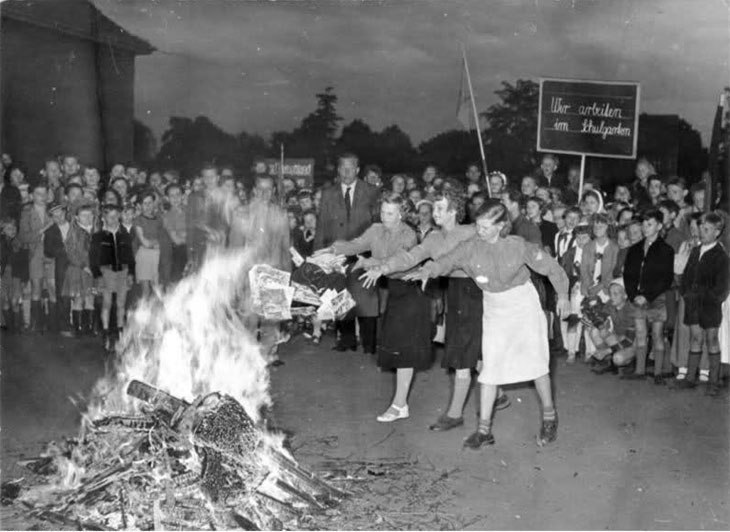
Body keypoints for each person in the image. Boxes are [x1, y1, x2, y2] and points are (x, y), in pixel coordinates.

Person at [407, 199, 569, 448]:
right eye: (478, 225)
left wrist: (564, 295)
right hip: (494, 308)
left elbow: (551, 268)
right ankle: (484, 432)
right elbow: (447, 261)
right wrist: (428, 270)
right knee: (490, 368)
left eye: (484, 227)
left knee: (536, 364)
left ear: (501, 226)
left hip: (523, 306)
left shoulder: (518, 246)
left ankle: (550, 417)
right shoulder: (471, 247)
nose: (479, 231)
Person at [360, 182, 511, 431]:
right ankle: (499, 393)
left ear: (454, 211)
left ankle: (455, 415)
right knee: (468, 351)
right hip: (456, 294)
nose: (435, 213)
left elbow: (499, 245)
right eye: (435, 208)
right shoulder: (434, 238)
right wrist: (383, 268)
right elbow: (411, 256)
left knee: (464, 355)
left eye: (440, 208)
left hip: (478, 294)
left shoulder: (471, 232)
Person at [318, 193, 432, 422]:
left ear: (401, 215)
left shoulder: (408, 234)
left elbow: (399, 261)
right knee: (397, 350)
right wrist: (333, 249)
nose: (384, 216)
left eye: (390, 213)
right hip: (394, 294)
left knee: (404, 353)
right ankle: (401, 404)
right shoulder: (376, 229)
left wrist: (373, 264)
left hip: (411, 295)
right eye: (382, 211)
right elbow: (355, 245)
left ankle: (399, 406)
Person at [314, 153, 379, 353]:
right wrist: (318, 256)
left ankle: (369, 343)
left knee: (366, 299)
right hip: (337, 255)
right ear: (338, 169)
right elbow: (321, 226)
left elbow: (378, 226)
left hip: (364, 255)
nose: (346, 172)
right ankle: (347, 340)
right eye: (343, 168)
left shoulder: (372, 192)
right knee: (341, 296)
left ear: (358, 170)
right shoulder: (328, 193)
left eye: (350, 168)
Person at [676, 212, 729, 395]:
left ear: (717, 232)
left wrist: (710, 298)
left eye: (707, 229)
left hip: (710, 306)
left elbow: (722, 287)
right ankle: (690, 378)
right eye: (701, 228)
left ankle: (713, 382)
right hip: (693, 303)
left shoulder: (721, 256)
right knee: (695, 338)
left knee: (712, 340)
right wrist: (686, 293)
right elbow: (686, 277)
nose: (702, 232)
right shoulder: (695, 251)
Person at [622, 209, 675, 383]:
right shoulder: (634, 249)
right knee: (640, 333)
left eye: (649, 224)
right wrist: (633, 295)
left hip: (656, 298)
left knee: (657, 334)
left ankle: (658, 373)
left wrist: (648, 296)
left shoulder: (666, 250)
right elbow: (628, 275)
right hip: (637, 297)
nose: (645, 228)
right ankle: (640, 371)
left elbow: (666, 278)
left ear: (659, 226)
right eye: (644, 224)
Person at [91, 203, 135, 350]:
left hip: (123, 271)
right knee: (107, 303)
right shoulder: (98, 237)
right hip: (107, 272)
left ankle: (120, 330)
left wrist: (131, 273)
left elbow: (130, 256)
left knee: (121, 303)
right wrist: (98, 275)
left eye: (116, 216)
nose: (114, 219)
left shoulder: (125, 235)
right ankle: (105, 331)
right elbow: (93, 258)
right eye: (110, 217)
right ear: (104, 218)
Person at [18, 182, 52, 332]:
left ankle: (51, 322)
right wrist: (41, 232)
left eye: (45, 193)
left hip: (52, 253)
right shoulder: (26, 213)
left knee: (51, 287)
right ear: (31, 196)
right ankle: (35, 322)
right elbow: (23, 237)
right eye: (38, 194)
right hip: (35, 253)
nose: (42, 197)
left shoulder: (53, 210)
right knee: (36, 287)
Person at [587, 278, 639, 374]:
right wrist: (602, 327)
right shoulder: (610, 303)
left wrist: (607, 350)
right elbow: (598, 318)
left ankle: (632, 361)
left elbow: (628, 341)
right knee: (595, 331)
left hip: (632, 343)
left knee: (618, 358)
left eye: (616, 294)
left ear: (625, 295)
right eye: (610, 293)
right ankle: (608, 361)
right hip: (618, 338)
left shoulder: (631, 309)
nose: (612, 297)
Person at [62, 203, 96, 336]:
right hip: (78, 270)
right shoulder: (74, 232)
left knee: (90, 298)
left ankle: (89, 328)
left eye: (90, 215)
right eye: (83, 215)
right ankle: (78, 329)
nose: (87, 218)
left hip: (92, 270)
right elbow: (70, 253)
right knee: (78, 299)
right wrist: (83, 266)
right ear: (77, 218)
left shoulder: (95, 231)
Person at [43, 202, 71, 334]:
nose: (59, 218)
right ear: (51, 218)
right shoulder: (50, 231)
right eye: (55, 216)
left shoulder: (74, 226)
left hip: (78, 264)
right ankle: (64, 325)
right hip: (61, 264)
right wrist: (62, 250)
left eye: (60, 214)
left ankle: (81, 325)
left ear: (65, 213)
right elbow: (48, 251)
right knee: (62, 294)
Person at [134, 192, 164, 298]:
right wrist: (157, 242)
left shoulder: (159, 218)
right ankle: (144, 308)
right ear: (139, 205)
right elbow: (145, 242)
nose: (148, 206)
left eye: (150, 203)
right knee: (146, 290)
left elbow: (164, 237)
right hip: (144, 255)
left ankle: (159, 308)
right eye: (144, 203)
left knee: (157, 287)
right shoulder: (138, 220)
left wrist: (158, 243)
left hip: (158, 254)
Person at [162, 183, 188, 285]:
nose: (175, 198)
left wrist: (184, 234)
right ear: (167, 198)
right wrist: (191, 235)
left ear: (183, 196)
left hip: (195, 249)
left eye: (178, 194)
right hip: (179, 252)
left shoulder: (190, 210)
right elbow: (176, 240)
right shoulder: (167, 217)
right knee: (179, 283)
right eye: (172, 196)